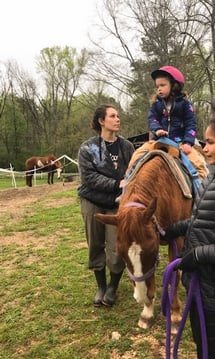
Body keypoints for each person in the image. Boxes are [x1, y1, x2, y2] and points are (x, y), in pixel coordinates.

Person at [163, 113, 215, 359]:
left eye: (210, 142)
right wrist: (175, 229)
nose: (204, 149)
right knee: (202, 345)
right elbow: (204, 222)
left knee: (214, 351)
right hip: (202, 285)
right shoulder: (214, 176)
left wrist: (201, 254)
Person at [78, 104, 134, 307]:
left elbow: (132, 172)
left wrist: (126, 184)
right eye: (112, 116)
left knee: (117, 246)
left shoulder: (127, 147)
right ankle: (101, 286)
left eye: (118, 116)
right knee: (95, 243)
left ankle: (113, 287)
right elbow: (88, 177)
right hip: (91, 201)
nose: (117, 119)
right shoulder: (87, 148)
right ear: (101, 121)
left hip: (117, 204)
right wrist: (116, 183)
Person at [148, 65, 208, 180]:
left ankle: (200, 192)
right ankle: (127, 186)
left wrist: (187, 143)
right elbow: (152, 119)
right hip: (159, 141)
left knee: (198, 164)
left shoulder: (185, 105)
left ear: (174, 85)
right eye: (157, 86)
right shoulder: (156, 105)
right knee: (137, 157)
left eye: (162, 85)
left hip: (180, 142)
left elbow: (191, 124)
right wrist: (157, 130)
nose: (159, 89)